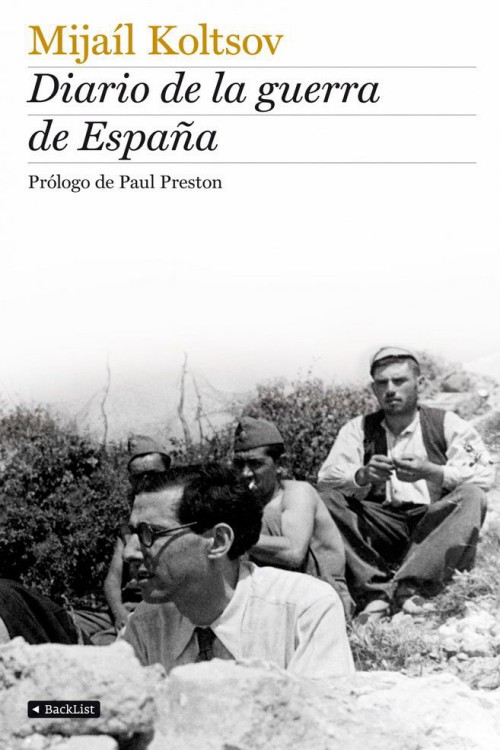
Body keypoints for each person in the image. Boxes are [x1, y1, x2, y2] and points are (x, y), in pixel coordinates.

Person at [122, 464, 354, 678]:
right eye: (131, 532)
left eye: (150, 533)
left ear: (218, 541)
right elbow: (107, 703)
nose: (129, 553)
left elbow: (322, 707)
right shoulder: (144, 624)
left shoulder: (304, 610)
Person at [318, 346, 494, 622]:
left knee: (472, 496)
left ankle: (409, 586)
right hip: (381, 524)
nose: (390, 389)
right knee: (327, 501)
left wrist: (433, 472)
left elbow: (485, 470)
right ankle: (375, 592)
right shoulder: (357, 429)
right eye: (382, 383)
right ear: (374, 389)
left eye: (399, 381)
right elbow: (325, 478)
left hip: (432, 523)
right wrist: (362, 475)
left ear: (419, 384)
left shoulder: (449, 424)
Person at [232, 416, 354, 618]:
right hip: (275, 602)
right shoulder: (244, 502)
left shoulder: (297, 493)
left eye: (255, 464)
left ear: (281, 464)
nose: (245, 473)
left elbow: (294, 553)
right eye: (239, 464)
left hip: (323, 599)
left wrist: (231, 538)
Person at [103, 435, 171, 631]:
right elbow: (113, 579)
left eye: (153, 474)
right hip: (128, 605)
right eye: (138, 477)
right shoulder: (128, 526)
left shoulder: (184, 516)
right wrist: (119, 613)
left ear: (168, 474)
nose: (146, 481)